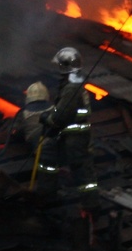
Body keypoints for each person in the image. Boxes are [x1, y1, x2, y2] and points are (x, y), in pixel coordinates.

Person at [42, 47, 98, 200]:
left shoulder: (71, 88)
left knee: (81, 170)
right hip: (72, 133)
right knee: (49, 154)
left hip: (75, 136)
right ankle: (48, 193)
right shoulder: (76, 83)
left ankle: (89, 204)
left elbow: (61, 115)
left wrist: (47, 119)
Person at [20, 81, 59, 195]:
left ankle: (45, 195)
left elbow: (17, 132)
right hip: (59, 145)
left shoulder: (24, 114)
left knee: (47, 172)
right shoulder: (55, 109)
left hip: (41, 150)